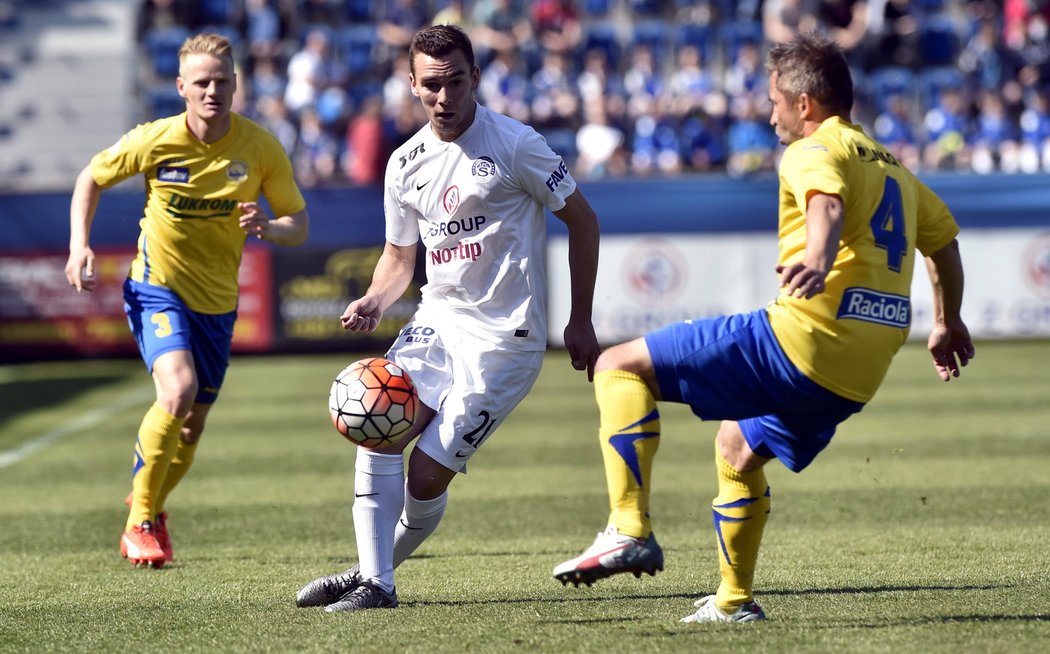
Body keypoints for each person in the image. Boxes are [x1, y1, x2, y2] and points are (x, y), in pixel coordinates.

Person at [551, 32, 975, 624]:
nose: (768, 112)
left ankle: (627, 527)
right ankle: (732, 603)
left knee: (616, 364)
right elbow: (944, 243)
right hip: (858, 371)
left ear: (805, 104)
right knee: (736, 447)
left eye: (775, 99)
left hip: (802, 339)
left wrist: (822, 258)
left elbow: (824, 204)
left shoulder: (810, 150)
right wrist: (948, 320)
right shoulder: (895, 168)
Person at [295, 24, 601, 611]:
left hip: (504, 340)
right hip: (439, 320)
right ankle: (377, 583)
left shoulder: (517, 143)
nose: (445, 97)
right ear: (412, 85)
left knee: (426, 479)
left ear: (475, 78)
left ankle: (367, 571)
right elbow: (398, 257)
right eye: (432, 85)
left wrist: (580, 319)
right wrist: (374, 300)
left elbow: (584, 222)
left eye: (456, 81)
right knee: (377, 418)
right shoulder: (404, 162)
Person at [65, 33, 310, 568]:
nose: (213, 90)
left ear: (236, 85)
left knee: (192, 424)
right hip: (157, 287)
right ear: (181, 87)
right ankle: (140, 522)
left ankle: (149, 500)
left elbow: (299, 224)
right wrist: (79, 245)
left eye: (223, 81)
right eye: (202, 82)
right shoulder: (155, 140)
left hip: (217, 304)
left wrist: (270, 226)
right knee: (177, 390)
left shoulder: (260, 147)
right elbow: (92, 176)